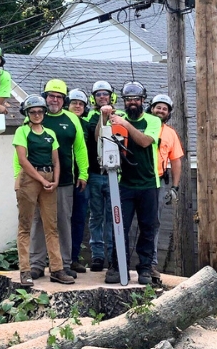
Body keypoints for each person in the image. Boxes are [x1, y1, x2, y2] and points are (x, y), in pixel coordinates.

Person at [102, 81, 161, 285]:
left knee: (147, 228)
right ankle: (118, 266)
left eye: (136, 99)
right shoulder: (117, 120)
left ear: (143, 101)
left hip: (148, 184)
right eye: (128, 100)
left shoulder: (153, 121)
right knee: (119, 227)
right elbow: (100, 139)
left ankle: (145, 268)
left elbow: (144, 141)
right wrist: (104, 119)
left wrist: (126, 124)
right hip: (124, 183)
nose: (132, 103)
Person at [12, 95, 75, 286]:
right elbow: (23, 160)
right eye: (33, 112)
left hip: (49, 178)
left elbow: (56, 159)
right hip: (30, 178)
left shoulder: (50, 133)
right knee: (25, 225)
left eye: (40, 111)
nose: (37, 114)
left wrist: (55, 180)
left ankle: (57, 268)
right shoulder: (22, 131)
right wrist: (41, 179)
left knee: (51, 225)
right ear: (27, 113)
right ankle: (25, 270)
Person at [30, 79, 88, 280]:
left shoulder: (72, 119)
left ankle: (62, 264)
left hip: (64, 180)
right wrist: (17, 177)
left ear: (64, 99)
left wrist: (83, 173)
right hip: (37, 179)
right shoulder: (36, 116)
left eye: (58, 97)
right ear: (45, 97)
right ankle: (36, 264)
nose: (54, 100)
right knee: (38, 221)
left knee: (64, 221)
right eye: (51, 96)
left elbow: (80, 148)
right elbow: (20, 149)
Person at [149, 94, 184, 280]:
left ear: (169, 113)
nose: (160, 111)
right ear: (151, 108)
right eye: (157, 107)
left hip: (158, 183)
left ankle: (151, 263)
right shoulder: (142, 124)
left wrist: (175, 187)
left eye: (164, 108)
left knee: (154, 223)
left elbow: (176, 161)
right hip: (134, 181)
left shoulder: (170, 133)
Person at [84, 81, 116, 272]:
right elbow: (97, 137)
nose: (102, 97)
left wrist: (111, 116)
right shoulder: (90, 117)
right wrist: (102, 118)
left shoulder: (120, 117)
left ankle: (113, 255)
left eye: (105, 94)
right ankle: (97, 255)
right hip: (96, 174)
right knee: (96, 216)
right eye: (98, 94)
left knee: (113, 217)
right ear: (93, 98)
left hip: (114, 174)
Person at [67, 89, 90, 273]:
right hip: (63, 179)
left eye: (81, 104)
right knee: (59, 221)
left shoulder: (88, 126)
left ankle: (73, 259)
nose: (77, 106)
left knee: (78, 220)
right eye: (74, 102)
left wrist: (84, 174)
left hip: (81, 180)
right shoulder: (61, 122)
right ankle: (57, 260)